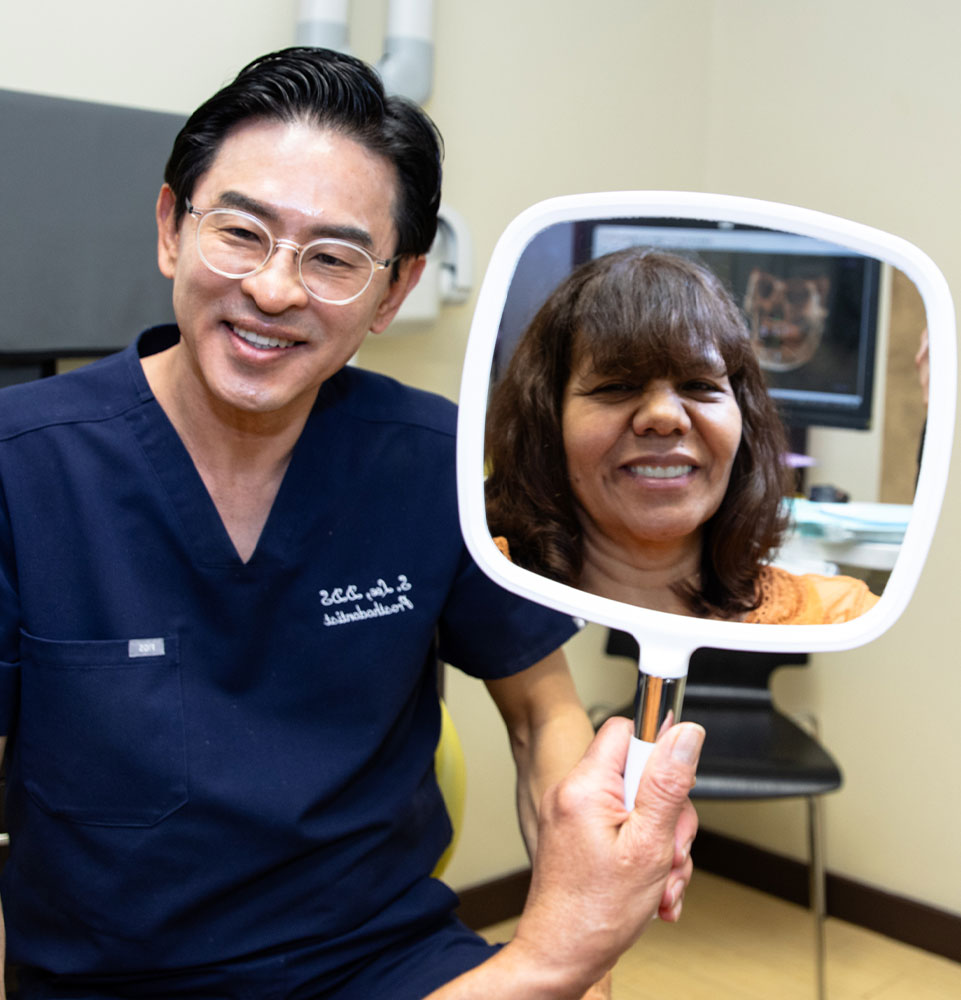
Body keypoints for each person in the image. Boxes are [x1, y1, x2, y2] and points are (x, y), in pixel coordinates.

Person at [0, 48, 701, 999]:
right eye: (241, 234)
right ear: (172, 229)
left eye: (333, 258)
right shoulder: (24, 465)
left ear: (393, 291)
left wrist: (581, 885)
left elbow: (543, 714)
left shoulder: (428, 463)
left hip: (382, 960)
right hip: (113, 979)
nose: (277, 290)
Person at [486, 248, 878, 624]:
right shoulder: (474, 588)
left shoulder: (844, 620)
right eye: (617, 386)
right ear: (547, 419)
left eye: (699, 385)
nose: (665, 417)